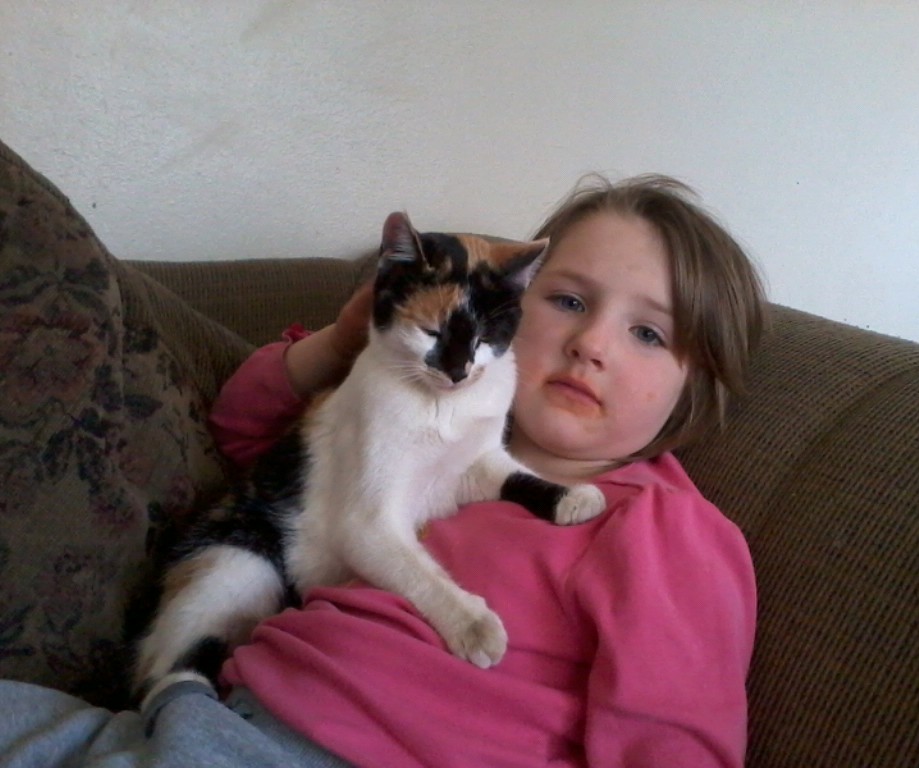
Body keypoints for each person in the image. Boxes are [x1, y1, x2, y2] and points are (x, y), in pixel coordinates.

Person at [0, 174, 766, 768]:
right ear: (504, 301)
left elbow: (675, 743)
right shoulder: (424, 404)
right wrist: (342, 343)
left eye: (647, 334)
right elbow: (241, 431)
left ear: (693, 387)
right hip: (218, 716)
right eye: (567, 300)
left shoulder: (663, 525)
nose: (591, 344)